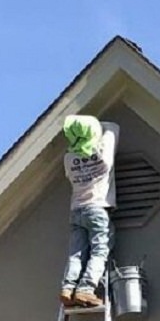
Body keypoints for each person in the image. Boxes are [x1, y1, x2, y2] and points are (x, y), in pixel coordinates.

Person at [60, 115, 119, 309]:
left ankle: (68, 288)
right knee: (100, 250)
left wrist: (78, 133)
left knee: (76, 253)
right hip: (97, 208)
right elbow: (111, 128)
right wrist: (96, 128)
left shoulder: (69, 158)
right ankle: (86, 289)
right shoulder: (102, 153)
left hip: (76, 210)